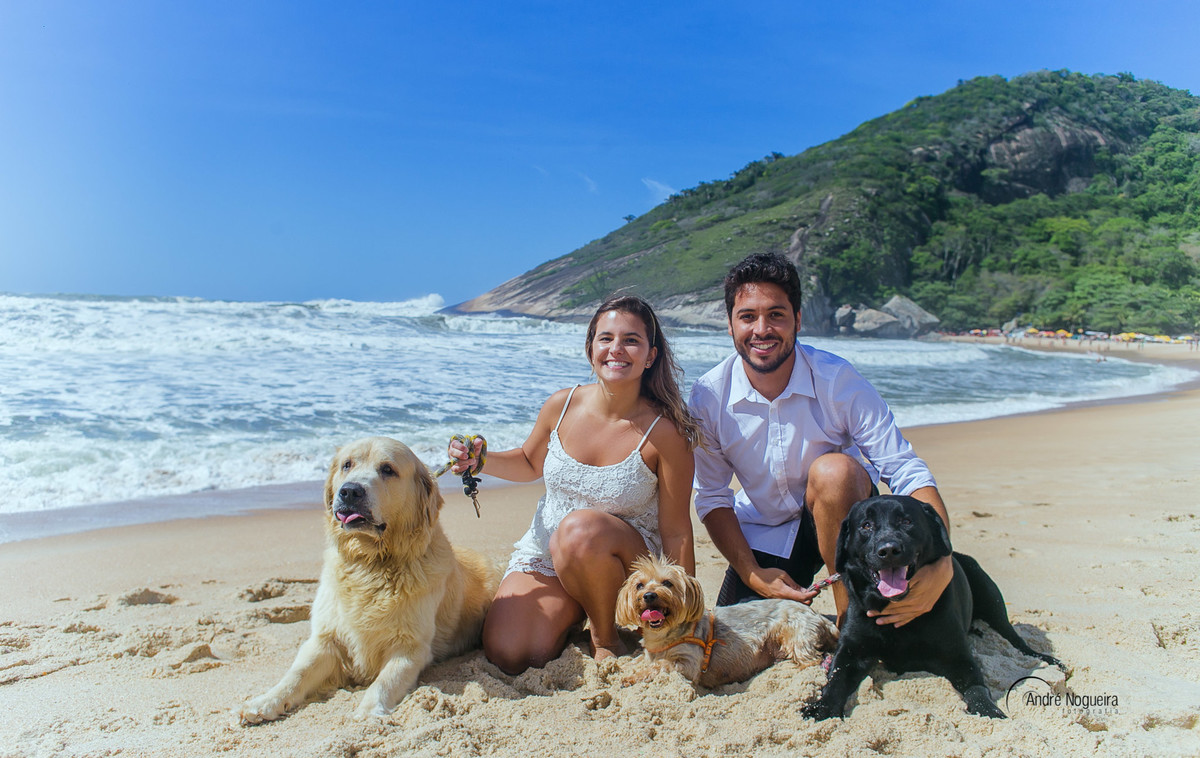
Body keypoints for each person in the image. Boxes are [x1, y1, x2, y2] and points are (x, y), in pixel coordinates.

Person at [689, 253, 953, 628]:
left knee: (834, 470)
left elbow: (904, 469)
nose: (761, 329)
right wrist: (751, 572)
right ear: (730, 324)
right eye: (747, 316)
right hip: (766, 529)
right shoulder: (708, 396)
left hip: (849, 523)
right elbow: (713, 496)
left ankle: (850, 619)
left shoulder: (836, 379)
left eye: (776, 315)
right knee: (739, 632)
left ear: (798, 319)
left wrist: (944, 562)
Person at [447, 294, 700, 674]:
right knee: (511, 653)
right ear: (590, 347)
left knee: (578, 530)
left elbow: (678, 531)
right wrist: (481, 459)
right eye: (606, 338)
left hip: (625, 563)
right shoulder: (561, 405)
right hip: (550, 553)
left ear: (650, 355)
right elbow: (531, 462)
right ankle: (576, 606)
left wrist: (687, 616)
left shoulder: (664, 434)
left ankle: (605, 637)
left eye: (631, 340)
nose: (617, 349)